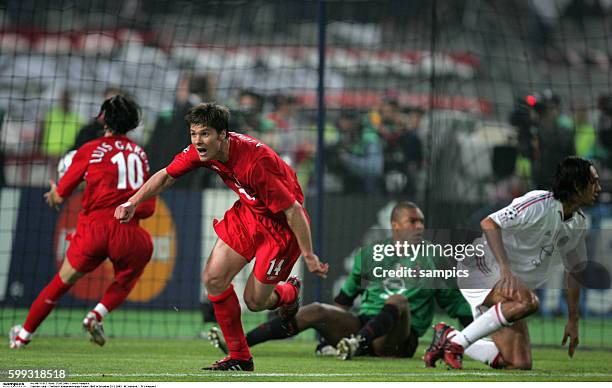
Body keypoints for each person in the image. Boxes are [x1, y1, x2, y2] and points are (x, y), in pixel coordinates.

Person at [113, 102, 328, 372]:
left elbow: (293, 210)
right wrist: (133, 202)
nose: (197, 141)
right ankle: (240, 356)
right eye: (193, 134)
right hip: (248, 214)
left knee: (255, 302)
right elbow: (167, 176)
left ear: (222, 135)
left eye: (204, 134)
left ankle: (288, 292)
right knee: (213, 279)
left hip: (281, 226)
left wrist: (308, 254)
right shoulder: (201, 152)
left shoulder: (255, 163)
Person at [208, 202, 472, 360]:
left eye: (421, 222)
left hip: (399, 337)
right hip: (364, 325)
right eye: (412, 221)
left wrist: (471, 337)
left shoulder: (435, 258)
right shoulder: (370, 255)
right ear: (394, 225)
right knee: (315, 310)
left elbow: (456, 306)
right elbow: (345, 300)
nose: (419, 227)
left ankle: (357, 343)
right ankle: (240, 342)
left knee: (398, 300)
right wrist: (326, 334)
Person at [424, 156, 601, 370]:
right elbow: (489, 223)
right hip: (482, 267)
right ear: (576, 184)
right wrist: (505, 269)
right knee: (529, 302)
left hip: (508, 284)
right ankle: (456, 344)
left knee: (519, 363)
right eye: (594, 182)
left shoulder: (578, 222)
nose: (598, 188)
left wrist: (573, 320)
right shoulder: (538, 203)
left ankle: (448, 335)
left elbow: (573, 270)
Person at [9, 95, 156, 349]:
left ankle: (23, 336)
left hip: (94, 230)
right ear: (133, 123)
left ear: (103, 119)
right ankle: (97, 314)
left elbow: (61, 195)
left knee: (59, 284)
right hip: (128, 233)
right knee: (127, 277)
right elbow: (148, 208)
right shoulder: (140, 155)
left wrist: (54, 192)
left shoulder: (90, 150)